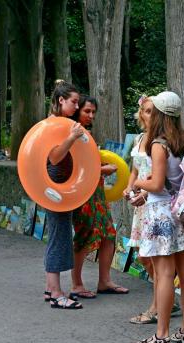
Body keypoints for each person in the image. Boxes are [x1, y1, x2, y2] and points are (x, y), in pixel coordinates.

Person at [132, 91, 184, 343]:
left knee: (163, 274)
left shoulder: (158, 144)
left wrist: (138, 184)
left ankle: (161, 335)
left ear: (160, 113)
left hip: (161, 213)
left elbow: (156, 184)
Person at [125, 95, 179, 325]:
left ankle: (157, 307)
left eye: (152, 111)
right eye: (145, 111)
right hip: (142, 206)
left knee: (156, 259)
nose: (148, 115)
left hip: (155, 204)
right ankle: (164, 302)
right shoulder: (139, 139)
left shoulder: (160, 142)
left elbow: (158, 180)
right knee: (144, 256)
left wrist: (142, 190)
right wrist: (129, 188)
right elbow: (136, 170)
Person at [69, 94, 129, 299]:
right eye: (87, 111)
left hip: (97, 193)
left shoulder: (85, 133)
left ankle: (104, 281)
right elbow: (76, 167)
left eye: (93, 112)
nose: (91, 115)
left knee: (109, 235)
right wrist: (104, 170)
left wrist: (101, 168)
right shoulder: (73, 132)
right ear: (77, 110)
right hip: (83, 194)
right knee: (84, 236)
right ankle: (76, 283)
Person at [42, 79, 84, 309]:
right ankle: (57, 293)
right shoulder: (52, 125)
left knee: (59, 235)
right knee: (59, 237)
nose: (77, 107)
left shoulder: (61, 123)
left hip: (60, 185)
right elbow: (54, 157)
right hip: (55, 186)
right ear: (61, 100)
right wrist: (72, 137)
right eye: (74, 102)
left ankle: (51, 289)